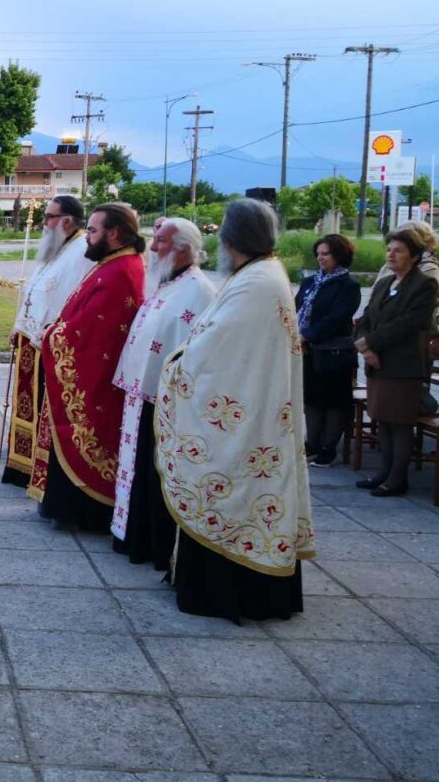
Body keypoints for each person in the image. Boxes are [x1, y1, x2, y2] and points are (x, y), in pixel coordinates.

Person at [157, 198, 315, 622]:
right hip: (255, 412)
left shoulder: (255, 283)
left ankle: (226, 593)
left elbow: (214, 352)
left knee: (232, 494)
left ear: (233, 238)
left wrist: (176, 366)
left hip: (244, 423)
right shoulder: (262, 274)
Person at [27, 202, 145, 530]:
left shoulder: (122, 270)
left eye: (93, 231)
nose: (88, 238)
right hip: (92, 367)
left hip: (97, 373)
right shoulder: (110, 262)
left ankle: (80, 510)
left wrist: (54, 334)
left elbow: (96, 326)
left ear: (115, 233)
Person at [111, 217, 216, 569]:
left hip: (165, 403)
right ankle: (134, 537)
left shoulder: (199, 292)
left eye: (160, 241)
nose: (152, 247)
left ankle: (152, 545)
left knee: (154, 476)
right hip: (141, 397)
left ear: (184, 249)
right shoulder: (167, 283)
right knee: (139, 471)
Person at [2, 195, 93, 486]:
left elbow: (68, 300)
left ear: (67, 221)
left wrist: (43, 333)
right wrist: (19, 325)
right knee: (27, 404)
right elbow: (35, 291)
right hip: (32, 339)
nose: (44, 223)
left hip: (48, 344)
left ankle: (36, 463)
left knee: (42, 404)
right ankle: (22, 460)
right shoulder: (59, 246)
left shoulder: (81, 252)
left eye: (49, 217)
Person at [354, 227, 438, 497]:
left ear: (414, 256)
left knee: (400, 422)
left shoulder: (424, 284)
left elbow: (410, 323)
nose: (391, 254)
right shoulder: (383, 283)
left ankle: (397, 478)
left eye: (398, 250)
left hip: (403, 364)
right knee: (383, 420)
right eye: (389, 249)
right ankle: (384, 472)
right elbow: (366, 318)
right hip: (377, 364)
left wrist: (371, 343)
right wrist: (364, 346)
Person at [294, 234, 360, 466]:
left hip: (333, 353)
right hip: (308, 351)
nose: (320, 258)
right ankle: (311, 443)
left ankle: (328, 448)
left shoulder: (348, 286)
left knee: (334, 402)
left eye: (326, 254)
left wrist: (307, 335)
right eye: (318, 254)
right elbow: (296, 307)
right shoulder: (310, 282)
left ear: (339, 256)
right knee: (312, 398)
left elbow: (337, 317)